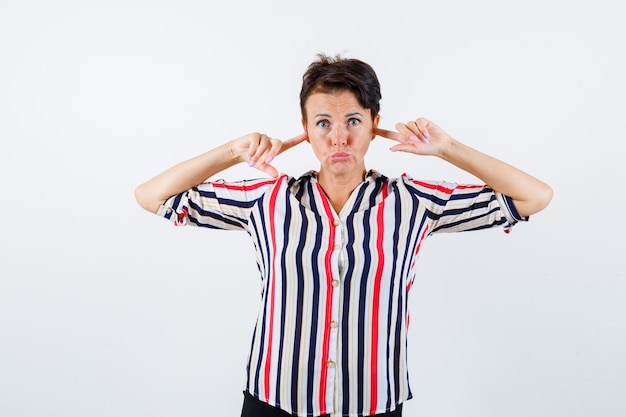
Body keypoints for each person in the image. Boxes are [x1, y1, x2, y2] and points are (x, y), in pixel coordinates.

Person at [135, 54, 552, 417]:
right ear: (305, 128)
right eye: (323, 123)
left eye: (353, 120)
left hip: (373, 403)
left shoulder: (412, 202)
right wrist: (231, 151)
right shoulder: (268, 199)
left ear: (374, 125)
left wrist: (447, 148)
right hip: (274, 401)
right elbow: (151, 195)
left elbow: (534, 196)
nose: (338, 137)